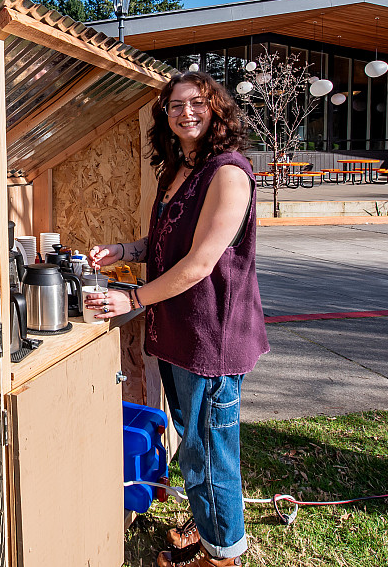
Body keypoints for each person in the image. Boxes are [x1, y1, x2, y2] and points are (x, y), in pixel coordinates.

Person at [88, 71, 267, 567]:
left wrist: (135, 299)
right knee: (195, 442)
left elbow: (199, 263)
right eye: (175, 105)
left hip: (211, 337)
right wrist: (125, 250)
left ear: (217, 110)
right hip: (178, 333)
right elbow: (167, 242)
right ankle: (209, 528)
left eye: (197, 103)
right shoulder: (177, 171)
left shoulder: (229, 173)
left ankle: (224, 555)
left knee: (210, 452)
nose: (185, 112)